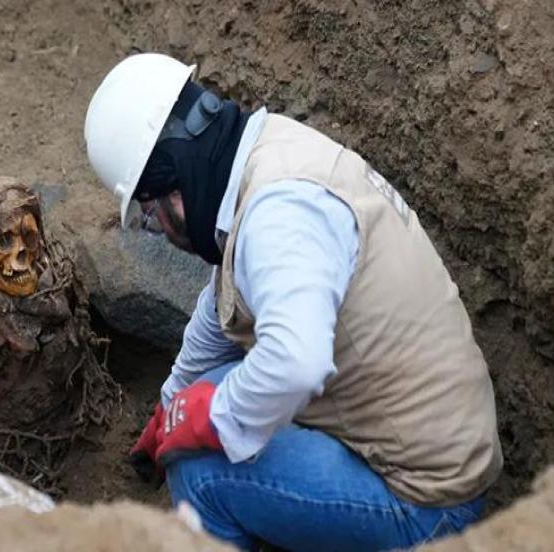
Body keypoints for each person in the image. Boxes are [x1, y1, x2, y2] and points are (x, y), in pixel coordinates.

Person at [84, 53, 503, 551]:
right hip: (425, 440)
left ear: (175, 179)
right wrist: (173, 400)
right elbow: (224, 297)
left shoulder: (279, 214)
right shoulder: (265, 156)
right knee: (215, 387)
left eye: (150, 216)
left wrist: (210, 420)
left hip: (426, 505)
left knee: (200, 471)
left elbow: (298, 361)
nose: (158, 231)